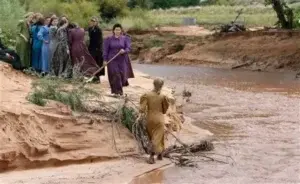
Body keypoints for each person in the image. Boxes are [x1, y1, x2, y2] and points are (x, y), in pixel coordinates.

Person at [139, 78, 169, 164]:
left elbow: (142, 109)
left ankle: (160, 154)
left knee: (152, 137)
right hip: (159, 119)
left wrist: (141, 113)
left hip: (149, 118)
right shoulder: (163, 97)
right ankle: (152, 156)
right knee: (158, 137)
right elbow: (164, 109)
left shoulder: (146, 95)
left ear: (153, 84)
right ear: (161, 86)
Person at [103, 23, 131, 96]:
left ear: (121, 30)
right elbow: (105, 50)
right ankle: (118, 92)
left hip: (122, 59)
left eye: (119, 29)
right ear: (113, 30)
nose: (117, 31)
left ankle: (118, 90)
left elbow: (128, 48)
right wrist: (105, 60)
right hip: (112, 59)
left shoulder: (125, 38)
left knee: (122, 75)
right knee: (115, 75)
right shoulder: (108, 39)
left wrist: (124, 51)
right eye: (116, 29)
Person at [88, 17, 104, 83]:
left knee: (97, 63)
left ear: (97, 22)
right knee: (92, 62)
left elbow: (100, 40)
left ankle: (98, 78)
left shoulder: (99, 29)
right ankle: (92, 76)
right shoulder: (90, 29)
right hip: (91, 48)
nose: (93, 22)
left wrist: (99, 48)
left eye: (94, 21)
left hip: (97, 49)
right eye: (92, 21)